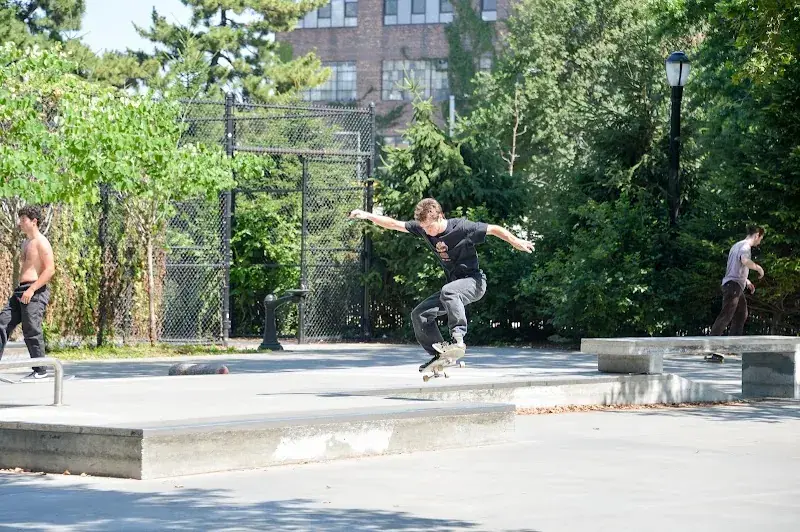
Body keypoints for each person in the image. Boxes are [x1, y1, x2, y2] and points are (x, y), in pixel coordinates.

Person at [349, 198, 534, 371]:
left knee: (448, 291)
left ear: (440, 216)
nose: (428, 232)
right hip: (452, 290)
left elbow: (493, 229)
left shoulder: (461, 227)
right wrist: (367, 215)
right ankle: (441, 355)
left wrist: (515, 241)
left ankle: (458, 338)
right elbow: (394, 224)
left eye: (430, 227)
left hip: (474, 283)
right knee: (419, 314)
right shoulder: (423, 229)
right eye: (424, 228)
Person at [0, 205, 55, 380]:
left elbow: (50, 270)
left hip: (35, 290)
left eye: (23, 220)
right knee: (3, 321)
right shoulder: (26, 242)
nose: (20, 223)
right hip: (21, 291)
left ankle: (41, 370)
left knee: (31, 328)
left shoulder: (41, 242)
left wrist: (32, 289)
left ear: (34, 221)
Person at [708, 225, 765, 361]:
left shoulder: (737, 245)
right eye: (761, 239)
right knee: (726, 315)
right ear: (757, 235)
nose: (760, 242)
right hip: (733, 286)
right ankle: (712, 348)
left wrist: (747, 281)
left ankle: (733, 347)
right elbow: (745, 261)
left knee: (741, 314)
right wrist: (759, 268)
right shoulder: (745, 247)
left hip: (736, 285)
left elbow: (736, 267)